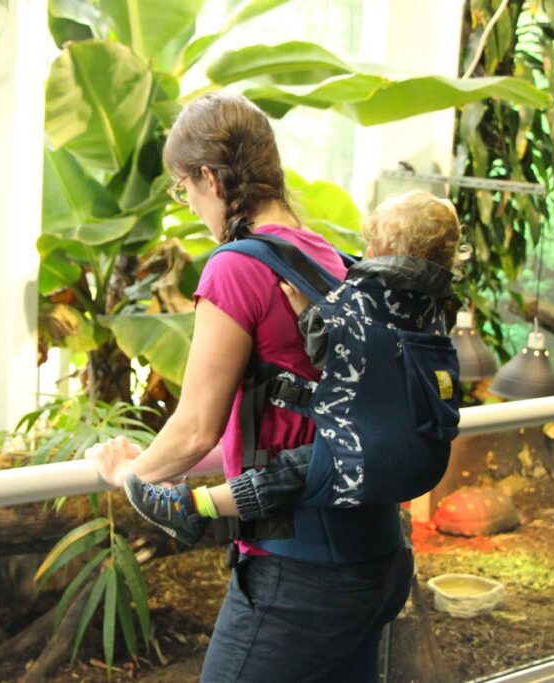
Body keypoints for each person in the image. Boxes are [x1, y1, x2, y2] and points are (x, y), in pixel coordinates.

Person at [89, 91, 415, 682]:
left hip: (301, 575)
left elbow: (192, 430)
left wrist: (130, 473)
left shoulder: (237, 266)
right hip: (377, 556)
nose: (187, 205)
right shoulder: (328, 258)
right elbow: (288, 416)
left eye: (184, 188)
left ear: (211, 178)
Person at [119, 189, 467, 546]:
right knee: (298, 471)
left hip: (364, 451)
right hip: (422, 450)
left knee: (290, 474)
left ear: (376, 249)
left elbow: (338, 355)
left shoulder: (368, 295)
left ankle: (195, 508)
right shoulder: (437, 307)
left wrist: (310, 313)